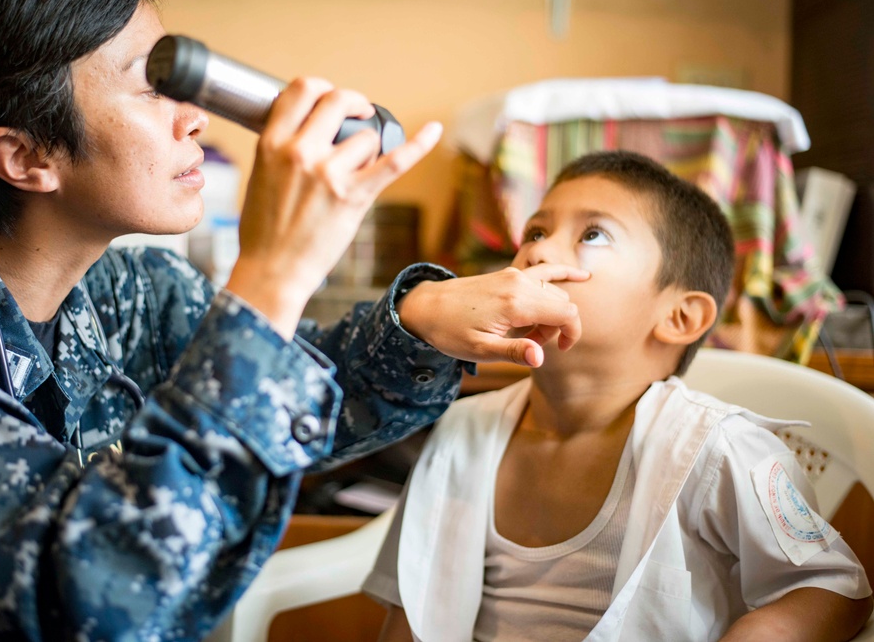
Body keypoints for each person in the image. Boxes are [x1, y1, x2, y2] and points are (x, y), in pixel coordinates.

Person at [0, 0, 591, 640]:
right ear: (25, 156)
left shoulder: (136, 292)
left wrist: (423, 320)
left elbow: (298, 396)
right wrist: (273, 269)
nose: (195, 118)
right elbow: (94, 595)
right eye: (152, 89)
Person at [364, 150, 874, 642]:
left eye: (592, 233)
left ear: (679, 317)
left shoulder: (717, 448)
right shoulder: (459, 429)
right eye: (535, 232)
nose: (536, 253)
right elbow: (411, 611)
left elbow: (831, 586)